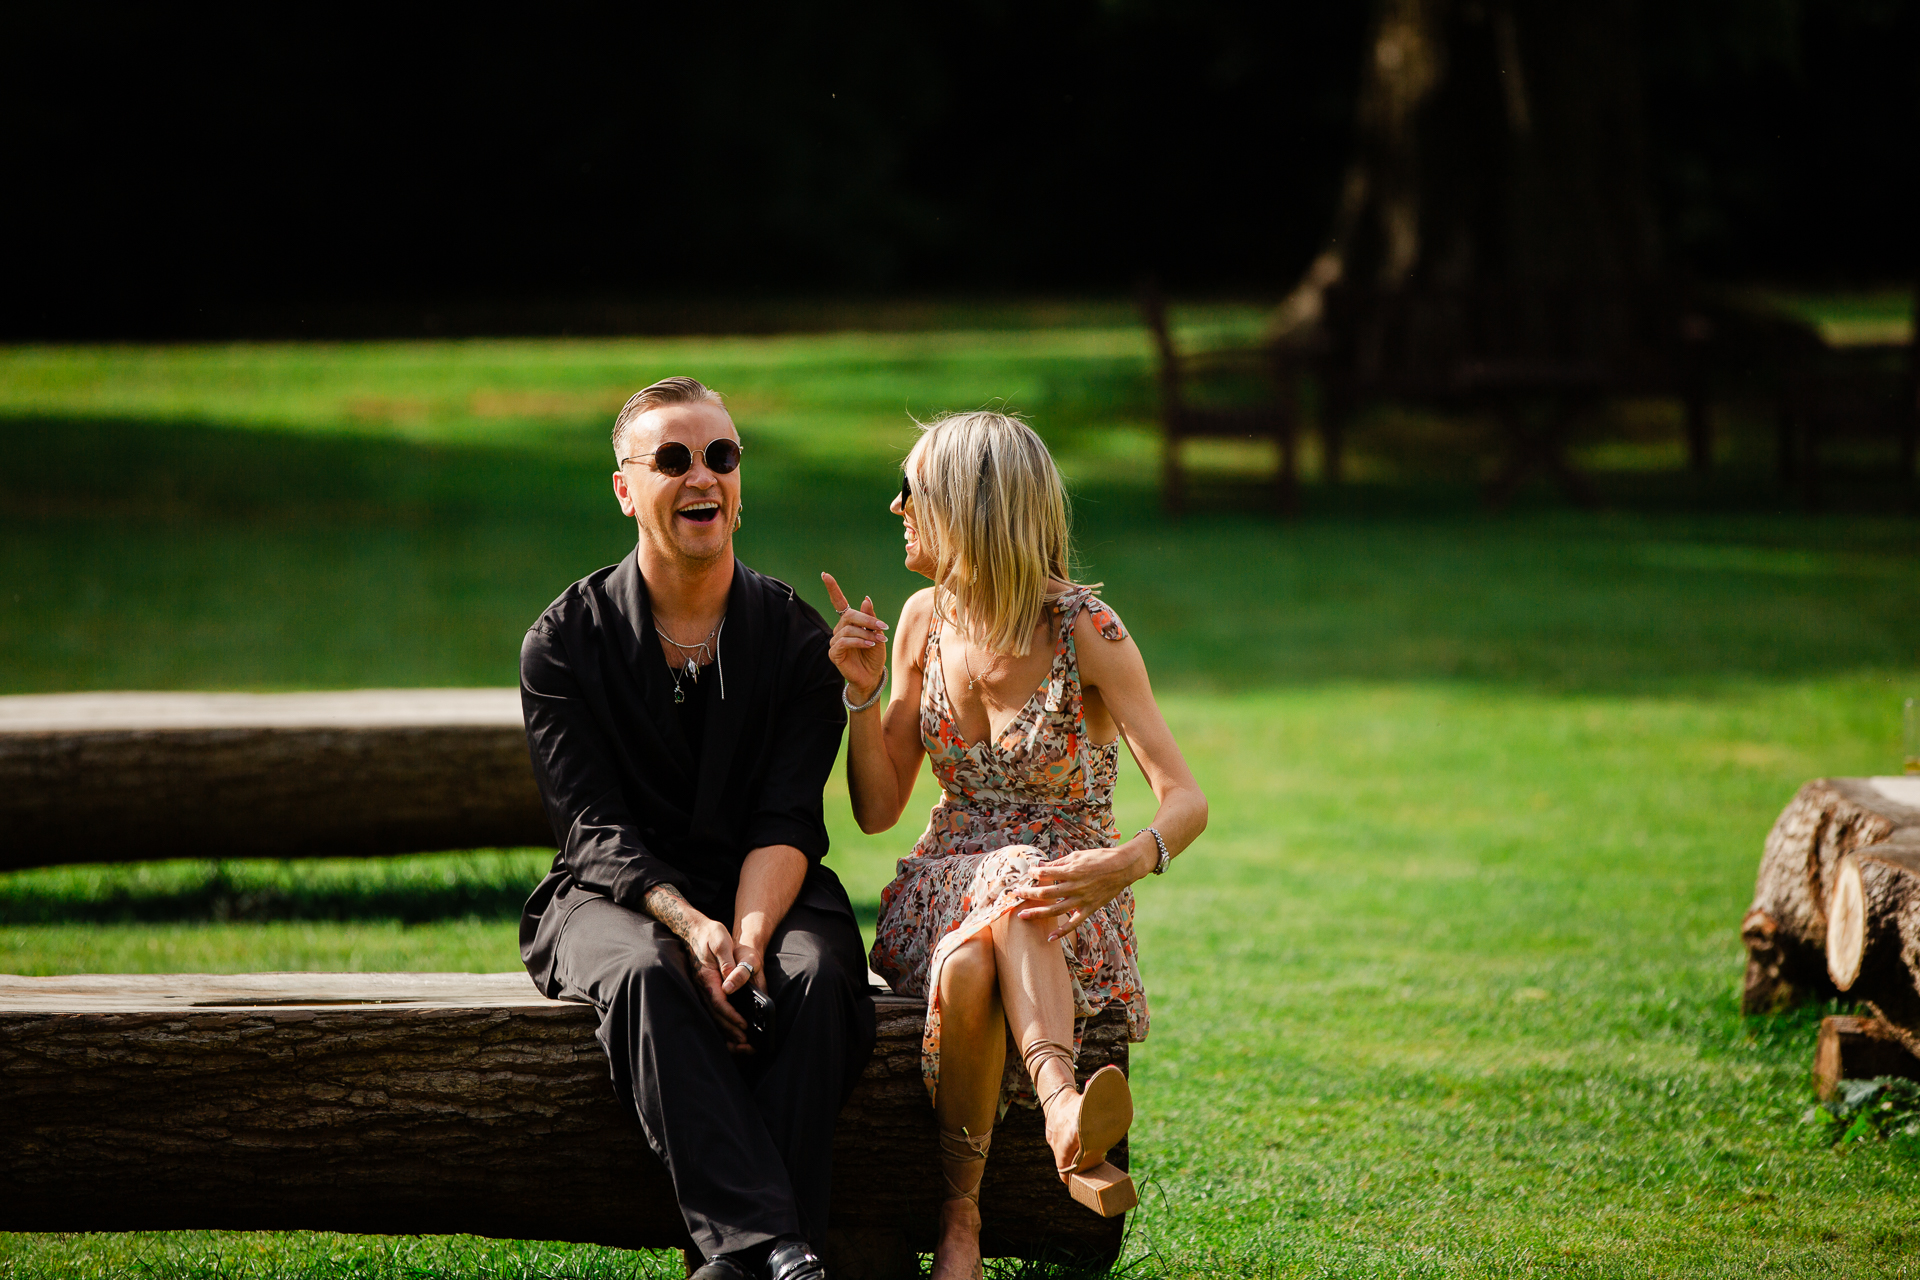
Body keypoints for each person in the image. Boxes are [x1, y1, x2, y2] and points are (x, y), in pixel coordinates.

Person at [820, 410, 1207, 1280]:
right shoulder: (923, 620)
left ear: (968, 504)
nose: (895, 506)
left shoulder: (1087, 631)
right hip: (941, 885)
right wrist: (861, 696)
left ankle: (959, 1225)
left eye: (912, 489)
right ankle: (1065, 1110)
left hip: (1069, 905)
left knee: (976, 960)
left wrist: (1125, 862)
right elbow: (879, 811)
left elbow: (1186, 800)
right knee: (1005, 883)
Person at [518, 376, 874, 1280]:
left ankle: (739, 1263)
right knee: (645, 972)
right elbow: (591, 828)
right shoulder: (563, 642)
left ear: (740, 485)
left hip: (766, 887)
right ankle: (776, 1247)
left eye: (721, 455)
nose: (701, 474)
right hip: (613, 896)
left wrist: (747, 935)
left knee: (821, 974)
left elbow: (788, 816)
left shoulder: (798, 640)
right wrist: (690, 926)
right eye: (671, 459)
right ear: (625, 488)